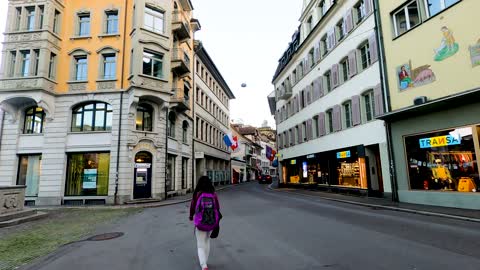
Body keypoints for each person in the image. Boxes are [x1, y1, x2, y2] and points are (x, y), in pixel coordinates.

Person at [189, 176, 220, 270]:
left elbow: (192, 206)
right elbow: (218, 207)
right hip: (211, 222)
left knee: (200, 244)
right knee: (207, 241)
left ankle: (204, 265)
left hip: (200, 222)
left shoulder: (197, 194)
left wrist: (191, 216)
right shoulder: (213, 194)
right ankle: (205, 261)